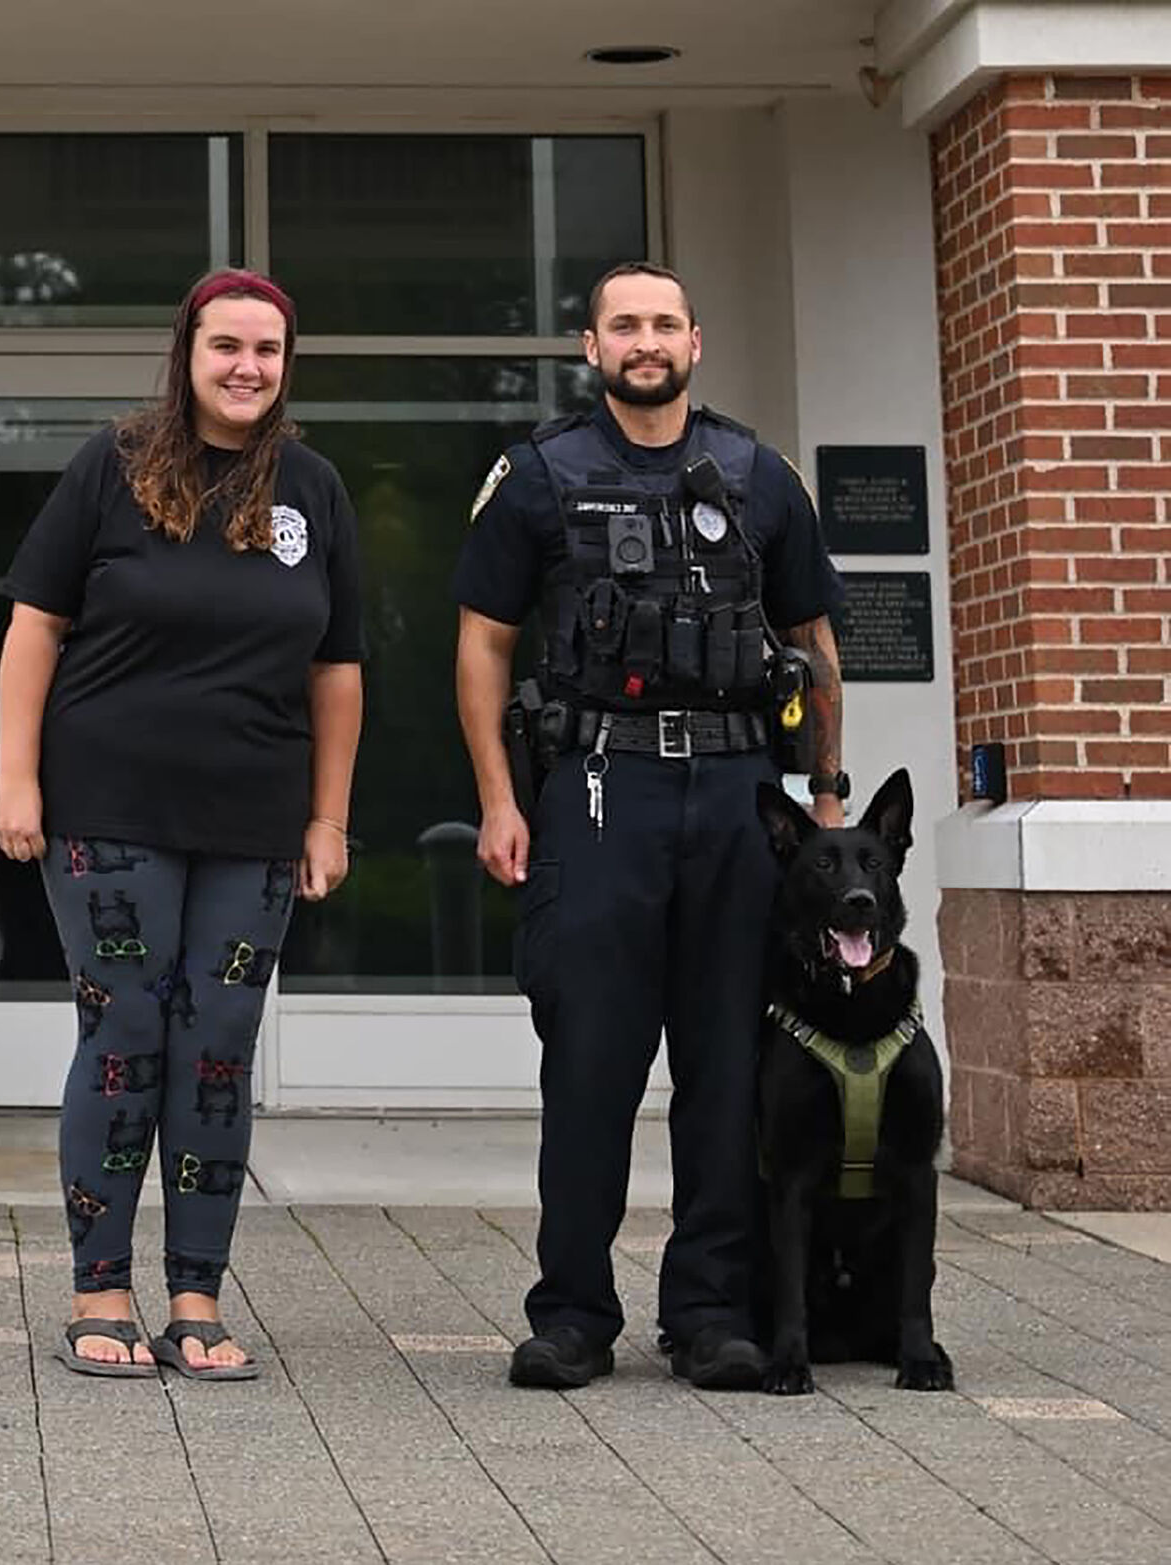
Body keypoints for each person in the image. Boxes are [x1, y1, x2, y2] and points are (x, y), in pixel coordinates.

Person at [453, 261, 847, 1391]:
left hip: (736, 800)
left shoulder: (760, 476)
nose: (644, 340)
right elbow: (481, 642)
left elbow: (815, 643)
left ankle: (711, 1311)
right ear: (589, 346)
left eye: (662, 322)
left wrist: (824, 797)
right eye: (622, 323)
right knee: (589, 1060)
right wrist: (495, 794)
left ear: (694, 339)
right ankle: (572, 1312)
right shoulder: (536, 475)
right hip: (594, 792)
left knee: (725, 1063)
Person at [0, 268, 364, 1380]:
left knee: (215, 1050)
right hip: (107, 804)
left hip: (253, 816)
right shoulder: (109, 467)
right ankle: (98, 1285)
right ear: (186, 353)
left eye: (267, 349)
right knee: (126, 1037)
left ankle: (195, 1292)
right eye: (225, 347)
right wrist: (14, 775)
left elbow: (337, 669)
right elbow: (32, 625)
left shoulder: (313, 486)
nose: (246, 366)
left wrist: (327, 817)